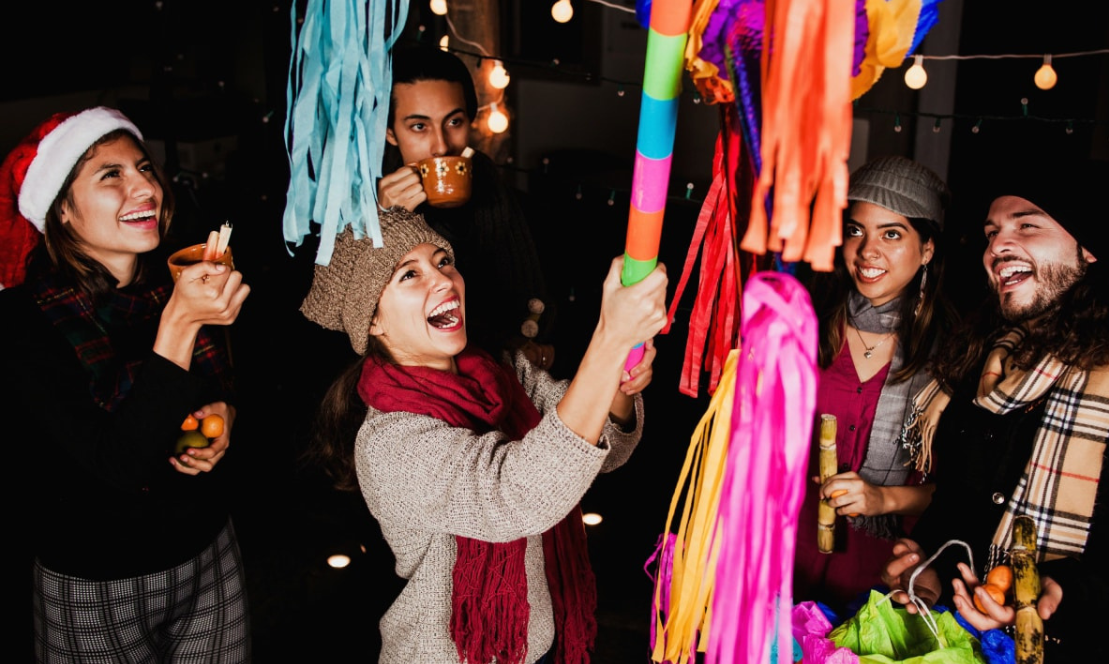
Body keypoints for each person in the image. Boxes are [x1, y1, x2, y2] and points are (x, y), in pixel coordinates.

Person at [300, 209, 667, 664]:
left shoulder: (502, 373)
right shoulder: (389, 442)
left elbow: (601, 449)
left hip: (534, 642)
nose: (443, 280)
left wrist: (618, 384)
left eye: (443, 261)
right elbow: (516, 494)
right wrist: (609, 341)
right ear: (372, 321)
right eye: (409, 274)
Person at [882, 156, 1109, 662]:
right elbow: (957, 509)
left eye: (1026, 226)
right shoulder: (981, 369)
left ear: (1089, 249)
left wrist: (1061, 594)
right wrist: (931, 570)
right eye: (991, 233)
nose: (997, 247)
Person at [0, 107, 252, 662]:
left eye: (143, 168)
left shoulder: (181, 275)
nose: (144, 186)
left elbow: (228, 379)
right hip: (92, 583)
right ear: (61, 210)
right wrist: (180, 323)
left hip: (209, 552)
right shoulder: (23, 322)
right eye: (109, 175)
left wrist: (226, 412)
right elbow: (117, 464)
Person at [792, 156, 955, 609]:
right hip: (785, 549)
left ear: (927, 249)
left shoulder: (957, 355)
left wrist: (883, 498)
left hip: (886, 571)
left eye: (892, 233)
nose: (867, 252)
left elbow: (964, 491)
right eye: (856, 230)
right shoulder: (804, 324)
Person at [376, 44, 554, 368]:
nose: (441, 145)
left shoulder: (493, 190)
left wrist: (533, 344)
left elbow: (534, 293)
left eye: (454, 122)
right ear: (390, 132)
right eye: (419, 126)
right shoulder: (366, 207)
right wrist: (385, 223)